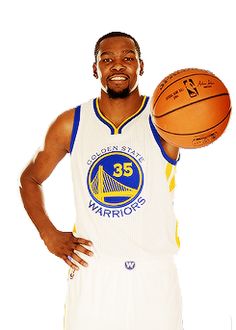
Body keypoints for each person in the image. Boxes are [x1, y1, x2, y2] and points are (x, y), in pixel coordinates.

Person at [20, 31, 183, 330]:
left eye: (127, 58)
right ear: (95, 69)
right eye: (107, 59)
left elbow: (206, 122)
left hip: (155, 274)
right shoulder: (71, 123)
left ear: (141, 66)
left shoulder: (167, 118)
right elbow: (30, 178)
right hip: (94, 271)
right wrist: (48, 233)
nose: (117, 66)